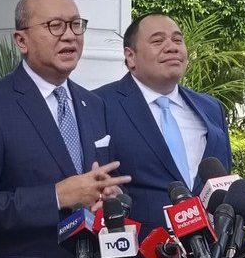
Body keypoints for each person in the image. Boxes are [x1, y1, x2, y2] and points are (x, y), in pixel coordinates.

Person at [0, 0, 131, 258]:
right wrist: (56, 197)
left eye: (76, 24)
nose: (69, 35)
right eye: (55, 25)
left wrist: (110, 197)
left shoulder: (93, 104)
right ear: (21, 40)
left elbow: (104, 181)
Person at [94, 13, 231, 240]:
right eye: (158, 41)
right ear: (130, 56)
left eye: (177, 40)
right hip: (139, 248)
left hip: (211, 248)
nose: (172, 47)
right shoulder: (99, 105)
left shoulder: (211, 108)